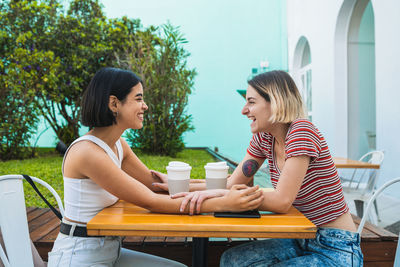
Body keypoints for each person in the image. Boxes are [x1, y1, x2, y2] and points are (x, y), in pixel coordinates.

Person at [47, 67, 264, 267]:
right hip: (79, 256)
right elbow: (151, 201)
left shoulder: (118, 145)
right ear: (114, 104)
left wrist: (219, 189)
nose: (145, 106)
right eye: (138, 99)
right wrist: (224, 203)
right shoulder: (87, 152)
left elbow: (155, 186)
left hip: (111, 250)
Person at [165, 70, 363, 266]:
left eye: (251, 102)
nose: (244, 110)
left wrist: (226, 198)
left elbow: (281, 201)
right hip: (299, 238)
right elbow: (230, 184)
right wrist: (177, 186)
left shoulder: (302, 131)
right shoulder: (264, 138)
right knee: (232, 260)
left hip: (335, 246)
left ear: (276, 102)